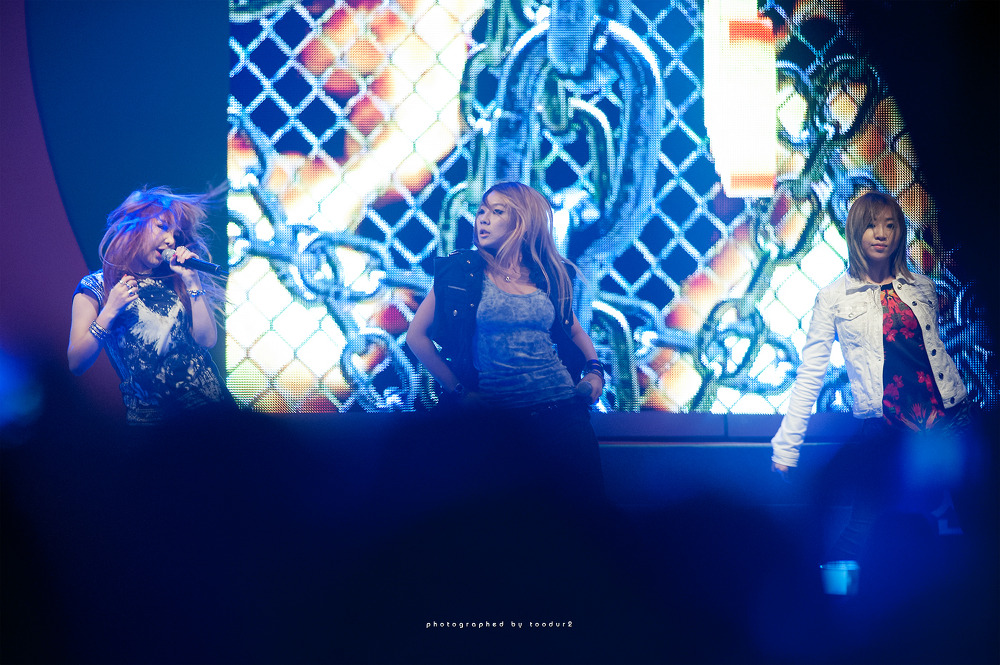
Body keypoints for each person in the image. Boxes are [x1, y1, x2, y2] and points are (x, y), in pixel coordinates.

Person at [770, 190, 973, 566]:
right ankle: (827, 597)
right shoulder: (834, 298)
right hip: (888, 428)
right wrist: (787, 446)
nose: (881, 234)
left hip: (947, 420)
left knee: (969, 525)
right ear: (855, 233)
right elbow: (811, 371)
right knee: (860, 532)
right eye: (871, 226)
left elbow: (934, 356)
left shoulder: (922, 288)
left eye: (890, 225)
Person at [406, 181, 606, 500]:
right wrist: (460, 392)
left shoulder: (547, 274)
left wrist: (595, 372)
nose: (483, 219)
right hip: (497, 422)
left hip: (562, 418)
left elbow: (574, 331)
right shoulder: (460, 271)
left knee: (579, 519)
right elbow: (416, 337)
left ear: (522, 222)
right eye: (481, 211)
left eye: (497, 212)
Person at [67, 186, 232, 425]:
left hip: (210, 412)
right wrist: (110, 310)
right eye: (162, 226)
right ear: (134, 225)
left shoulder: (174, 277)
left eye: (175, 234)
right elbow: (76, 362)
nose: (170, 240)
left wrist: (192, 281)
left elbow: (206, 340)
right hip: (153, 425)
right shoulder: (97, 286)